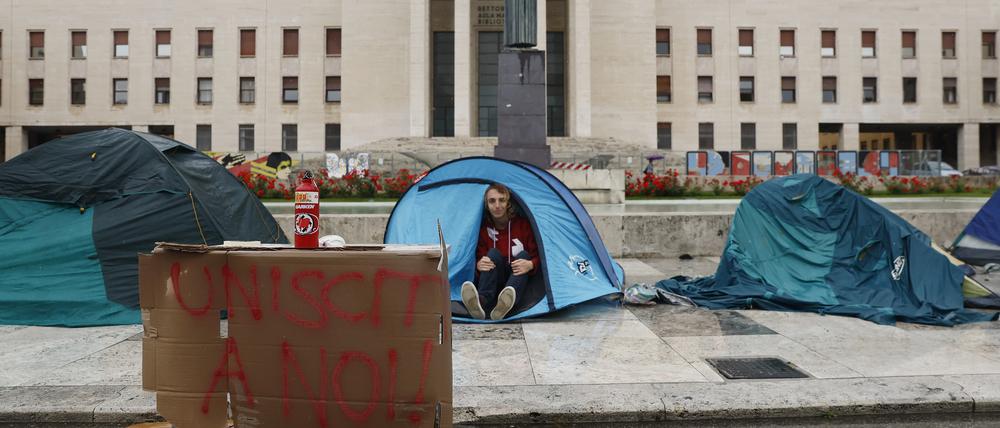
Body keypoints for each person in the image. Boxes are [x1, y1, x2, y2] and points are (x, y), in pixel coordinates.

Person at [461, 183, 540, 320]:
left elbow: (541, 256)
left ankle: (505, 304)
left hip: (517, 282)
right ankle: (481, 303)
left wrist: (531, 264)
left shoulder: (523, 225)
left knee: (524, 255)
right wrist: (479, 264)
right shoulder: (483, 229)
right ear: (486, 205)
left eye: (502, 200)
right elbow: (478, 257)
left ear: (508, 203)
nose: (497, 205)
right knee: (492, 253)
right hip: (494, 280)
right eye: (492, 201)